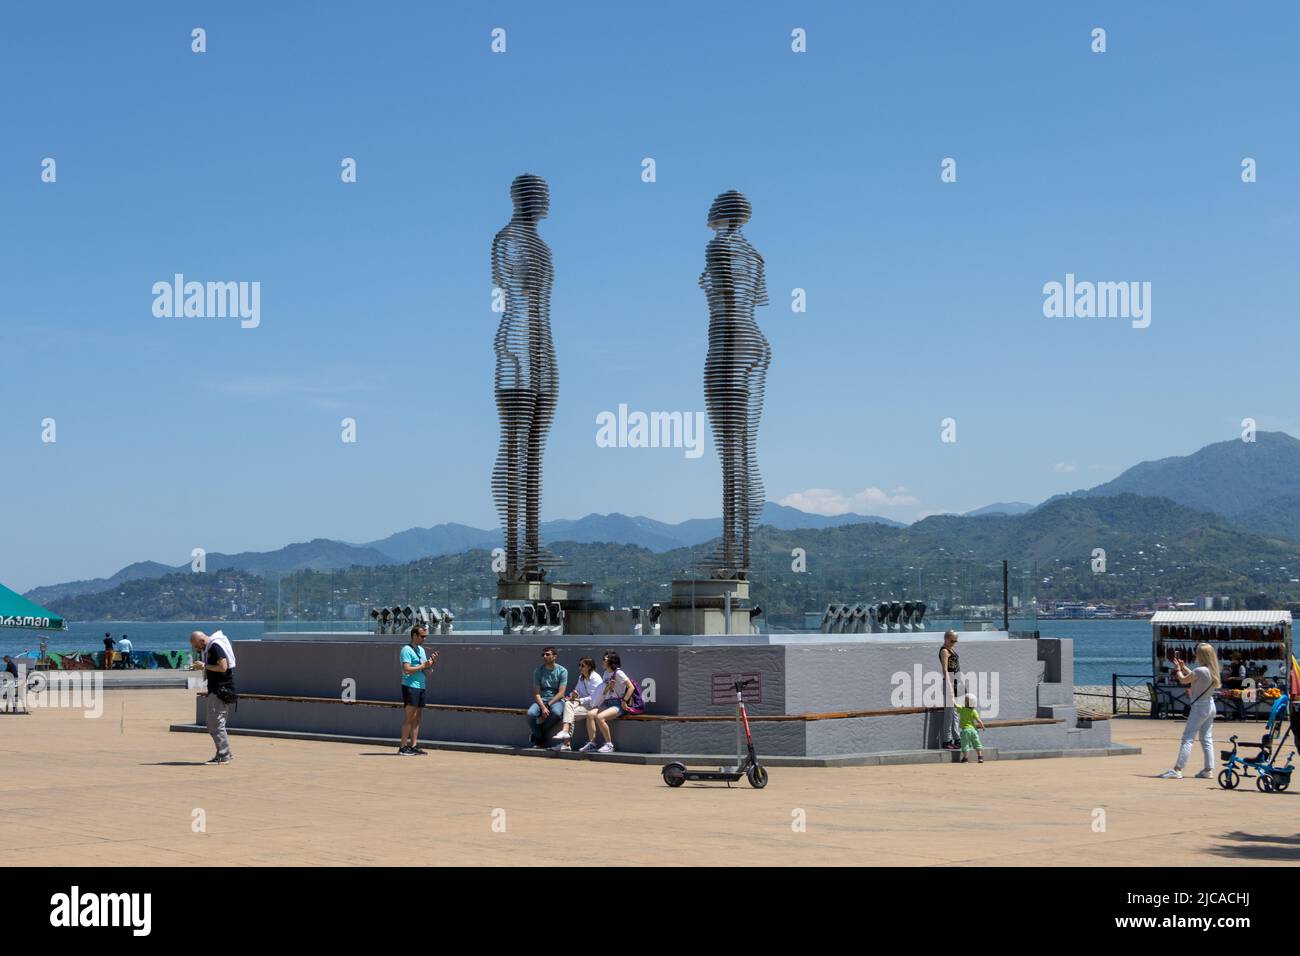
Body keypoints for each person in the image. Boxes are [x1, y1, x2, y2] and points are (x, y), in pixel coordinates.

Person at [1159, 643, 1220, 779]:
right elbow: (1194, 676)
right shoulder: (1212, 670)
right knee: (1206, 738)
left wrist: (1177, 669)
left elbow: (1183, 680)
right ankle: (1208, 769)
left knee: (1188, 738)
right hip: (1210, 705)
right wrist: (1183, 667)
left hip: (1200, 707)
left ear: (1202, 655)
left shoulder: (1200, 670)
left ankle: (1178, 769)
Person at [190, 630, 237, 764]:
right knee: (212, 723)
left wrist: (205, 665)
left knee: (216, 723)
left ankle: (224, 754)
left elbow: (223, 667)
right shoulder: (212, 646)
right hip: (216, 690)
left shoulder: (215, 646)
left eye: (196, 646)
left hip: (220, 690)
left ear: (202, 641)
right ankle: (222, 753)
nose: (197, 649)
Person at [582, 651, 633, 754]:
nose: (602, 661)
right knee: (590, 714)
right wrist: (608, 687)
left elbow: (631, 687)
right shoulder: (605, 673)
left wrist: (624, 700)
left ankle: (609, 744)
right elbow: (605, 692)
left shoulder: (618, 673)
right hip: (607, 703)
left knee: (600, 717)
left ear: (611, 661)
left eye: (604, 659)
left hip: (618, 705)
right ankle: (592, 743)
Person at [398, 625, 438, 756]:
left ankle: (413, 745)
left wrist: (431, 663)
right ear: (414, 636)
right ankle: (403, 747)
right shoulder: (406, 650)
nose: (424, 639)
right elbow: (406, 669)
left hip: (421, 686)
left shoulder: (421, 650)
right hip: (410, 686)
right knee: (409, 717)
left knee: (417, 718)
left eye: (425, 636)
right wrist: (423, 665)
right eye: (422, 636)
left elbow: (424, 668)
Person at [551, 657, 604, 750]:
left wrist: (579, 700)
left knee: (568, 714)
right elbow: (576, 691)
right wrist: (571, 696)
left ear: (589, 667)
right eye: (579, 665)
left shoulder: (596, 678)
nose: (580, 667)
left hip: (595, 706)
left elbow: (595, 697)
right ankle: (565, 735)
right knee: (568, 705)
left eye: (582, 665)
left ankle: (566, 742)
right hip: (583, 706)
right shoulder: (581, 678)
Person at [527, 646, 568, 747]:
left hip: (557, 700)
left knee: (557, 713)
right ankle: (540, 737)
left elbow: (561, 693)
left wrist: (548, 705)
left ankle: (537, 735)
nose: (544, 656)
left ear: (555, 656)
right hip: (542, 699)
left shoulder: (562, 671)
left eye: (547, 654)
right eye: (543, 655)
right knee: (531, 714)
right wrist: (543, 707)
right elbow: (536, 693)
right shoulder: (538, 671)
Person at [938, 630, 961, 750]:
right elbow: (945, 670)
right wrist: (949, 686)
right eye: (952, 641)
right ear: (946, 639)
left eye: (955, 641)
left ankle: (957, 738)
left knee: (956, 713)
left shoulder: (951, 649)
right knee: (949, 713)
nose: (953, 643)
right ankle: (946, 740)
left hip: (956, 682)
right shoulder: (944, 651)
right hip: (949, 682)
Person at [956, 693, 986, 764]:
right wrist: (982, 726)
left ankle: (965, 758)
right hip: (974, 730)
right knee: (977, 743)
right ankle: (980, 757)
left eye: (965, 700)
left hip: (965, 730)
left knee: (965, 744)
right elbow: (978, 720)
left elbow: (955, 704)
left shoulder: (962, 709)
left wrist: (952, 697)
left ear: (966, 702)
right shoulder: (974, 711)